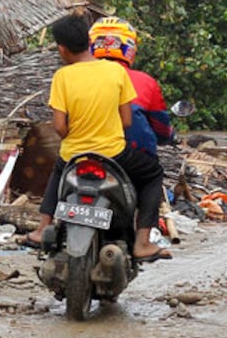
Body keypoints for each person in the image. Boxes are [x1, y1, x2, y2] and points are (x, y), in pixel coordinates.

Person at [27, 14, 173, 260]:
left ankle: (42, 229)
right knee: (153, 174)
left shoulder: (63, 77)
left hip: (74, 154)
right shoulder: (116, 72)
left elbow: (59, 127)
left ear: (62, 49)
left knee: (57, 173)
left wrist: (76, 136)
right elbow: (126, 120)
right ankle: (143, 242)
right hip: (114, 154)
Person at [88, 17, 171, 154]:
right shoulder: (146, 81)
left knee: (57, 173)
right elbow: (161, 127)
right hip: (133, 156)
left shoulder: (73, 77)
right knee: (155, 174)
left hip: (84, 154)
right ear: (130, 47)